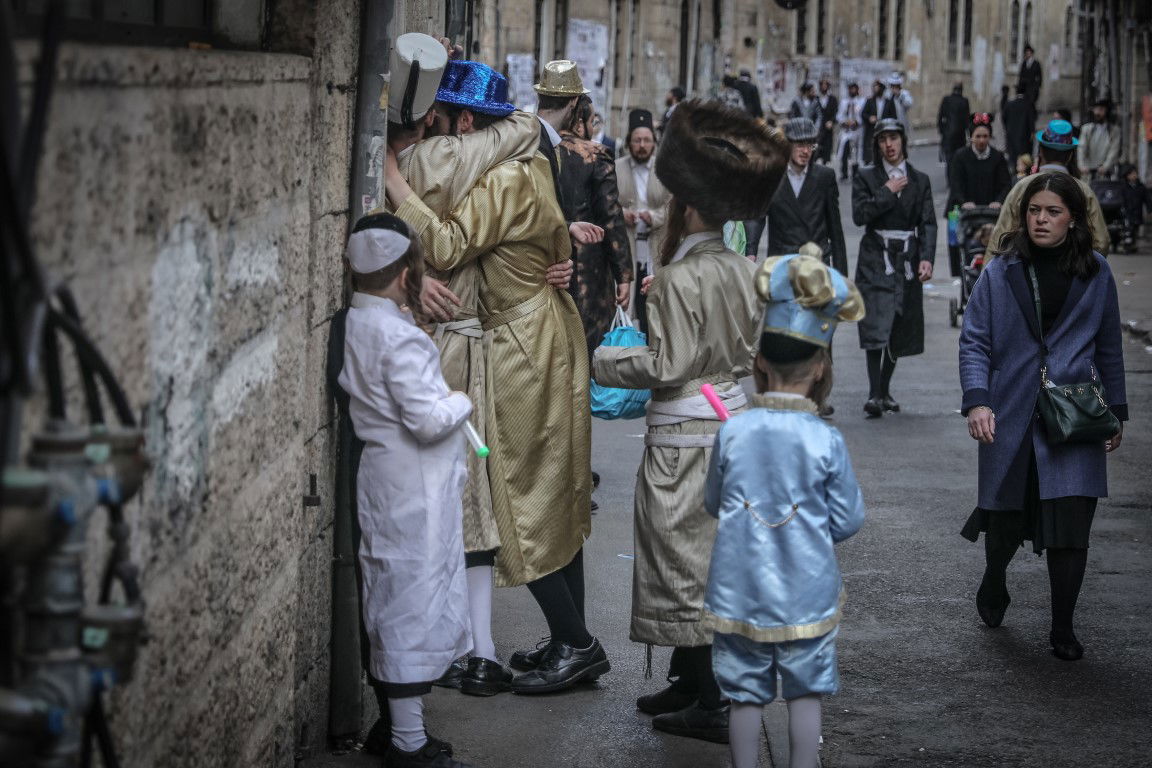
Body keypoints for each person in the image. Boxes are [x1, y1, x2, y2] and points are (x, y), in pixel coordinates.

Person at [384, 58, 608, 695]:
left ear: (463, 124)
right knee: (559, 494)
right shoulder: (534, 164)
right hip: (547, 328)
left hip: (521, 344)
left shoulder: (506, 177)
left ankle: (576, 642)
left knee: (520, 496)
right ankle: (574, 638)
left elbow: (450, 246)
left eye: (448, 132)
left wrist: (395, 182)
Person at [593, 98, 787, 743]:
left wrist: (602, 362)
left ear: (687, 207)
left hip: (683, 440)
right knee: (713, 560)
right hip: (732, 427)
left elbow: (667, 363)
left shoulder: (676, 278)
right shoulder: (744, 269)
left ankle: (712, 702)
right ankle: (686, 679)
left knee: (683, 568)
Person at [705, 253, 866, 768]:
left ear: (759, 363)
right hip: (807, 591)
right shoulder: (826, 440)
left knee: (745, 691)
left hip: (739, 587)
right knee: (805, 690)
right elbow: (847, 519)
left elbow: (714, 502)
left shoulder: (732, 431)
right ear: (821, 368)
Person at [959, 172, 1127, 662]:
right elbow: (975, 340)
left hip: (1073, 417)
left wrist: (1116, 411)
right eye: (1035, 210)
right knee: (1006, 517)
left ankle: (1063, 627)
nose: (1041, 219)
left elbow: (1110, 346)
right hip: (1010, 411)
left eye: (1053, 212)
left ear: (1073, 217)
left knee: (1071, 524)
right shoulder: (1000, 270)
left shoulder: (1096, 272)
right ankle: (995, 580)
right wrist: (977, 399)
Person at [337, 212, 475, 768]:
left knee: (391, 591)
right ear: (401, 276)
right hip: (414, 485)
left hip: (384, 477)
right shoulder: (401, 338)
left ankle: (394, 728)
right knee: (411, 601)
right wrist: (461, 400)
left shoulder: (357, 322)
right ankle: (408, 743)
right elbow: (426, 419)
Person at [851, 118, 936, 418]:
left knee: (898, 326)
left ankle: (884, 388)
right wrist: (886, 191)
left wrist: (926, 258)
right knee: (875, 322)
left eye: (894, 138)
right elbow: (859, 215)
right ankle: (874, 393)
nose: (889, 144)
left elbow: (927, 222)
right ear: (877, 144)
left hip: (906, 260)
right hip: (876, 257)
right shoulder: (866, 177)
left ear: (903, 141)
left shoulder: (920, 180)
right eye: (883, 139)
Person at [556, 93, 633, 359]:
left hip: (548, 267)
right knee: (589, 353)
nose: (593, 129)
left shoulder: (540, 150)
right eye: (592, 122)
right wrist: (623, 274)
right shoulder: (595, 155)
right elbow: (611, 216)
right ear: (580, 124)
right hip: (588, 273)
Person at [990, 119, 1110, 255]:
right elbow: (1101, 241)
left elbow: (1000, 236)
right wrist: (1083, 266)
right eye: (1034, 210)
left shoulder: (1022, 186)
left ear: (1040, 150)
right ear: (1070, 154)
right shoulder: (1083, 190)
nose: (1041, 219)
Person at [766, 118, 848, 276]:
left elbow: (835, 230)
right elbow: (758, 219)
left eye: (810, 145)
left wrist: (841, 276)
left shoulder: (825, 177)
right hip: (783, 265)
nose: (805, 151)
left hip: (816, 265)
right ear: (787, 146)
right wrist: (750, 252)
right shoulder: (772, 177)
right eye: (800, 145)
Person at [616, 108, 671, 334]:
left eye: (647, 140)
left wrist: (654, 217)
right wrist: (622, 214)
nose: (642, 145)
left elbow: (673, 205)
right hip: (627, 245)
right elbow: (607, 204)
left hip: (655, 245)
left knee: (653, 308)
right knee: (624, 309)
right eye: (637, 140)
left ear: (654, 143)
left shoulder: (664, 169)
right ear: (629, 142)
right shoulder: (617, 167)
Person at [946, 113, 1012, 274]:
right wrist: (963, 202)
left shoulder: (997, 157)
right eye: (978, 136)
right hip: (967, 211)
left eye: (985, 136)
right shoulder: (960, 156)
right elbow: (955, 183)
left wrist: (999, 201)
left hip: (991, 211)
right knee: (959, 240)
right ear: (971, 137)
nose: (982, 140)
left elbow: (1005, 184)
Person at [1078, 98, 1121, 180]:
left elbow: (1114, 150)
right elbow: (1081, 147)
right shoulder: (1086, 129)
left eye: (1101, 110)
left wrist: (1106, 166)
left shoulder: (1114, 130)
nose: (1097, 113)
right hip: (1088, 170)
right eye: (1096, 110)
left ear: (1107, 111)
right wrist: (1081, 165)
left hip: (1106, 172)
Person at [937, 82, 971, 176]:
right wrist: (968, 133)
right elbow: (967, 119)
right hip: (960, 136)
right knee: (959, 158)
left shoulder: (946, 99)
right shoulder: (964, 101)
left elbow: (940, 116)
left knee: (949, 159)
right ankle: (956, 177)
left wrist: (942, 131)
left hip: (947, 135)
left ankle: (950, 179)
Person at [861, 80, 896, 165]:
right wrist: (870, 118)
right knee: (870, 150)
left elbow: (893, 116)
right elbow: (863, 113)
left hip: (884, 129)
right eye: (874, 88)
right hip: (871, 130)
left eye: (878, 88)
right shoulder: (870, 101)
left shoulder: (888, 102)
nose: (876, 90)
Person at [836, 82, 866, 181]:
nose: (852, 91)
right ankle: (844, 173)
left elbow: (863, 116)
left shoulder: (862, 101)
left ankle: (855, 174)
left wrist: (856, 122)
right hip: (846, 131)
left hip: (857, 130)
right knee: (844, 152)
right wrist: (845, 122)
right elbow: (839, 115)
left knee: (855, 154)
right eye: (850, 89)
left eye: (854, 89)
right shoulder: (844, 102)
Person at [1003, 85, 1035, 168]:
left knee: (1012, 155)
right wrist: (1032, 131)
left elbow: (1004, 118)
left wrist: (1007, 128)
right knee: (1024, 156)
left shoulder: (1009, 104)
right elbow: (1031, 119)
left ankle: (1014, 171)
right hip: (1024, 134)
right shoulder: (1029, 104)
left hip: (1011, 133)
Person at [1120, 163, 1149, 242]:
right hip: (1128, 211)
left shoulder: (1141, 186)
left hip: (1137, 211)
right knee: (1128, 228)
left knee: (1135, 228)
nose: (1134, 175)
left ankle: (1133, 242)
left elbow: (1147, 199)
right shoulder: (1124, 187)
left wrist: (1149, 208)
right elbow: (1122, 199)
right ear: (1127, 176)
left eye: (1135, 173)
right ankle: (1128, 243)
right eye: (1132, 174)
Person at [815, 78, 838, 165]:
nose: (824, 87)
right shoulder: (816, 98)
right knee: (816, 149)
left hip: (828, 129)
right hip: (817, 129)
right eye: (822, 85)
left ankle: (825, 166)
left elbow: (836, 112)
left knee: (827, 150)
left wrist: (831, 121)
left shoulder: (832, 99)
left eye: (826, 85)